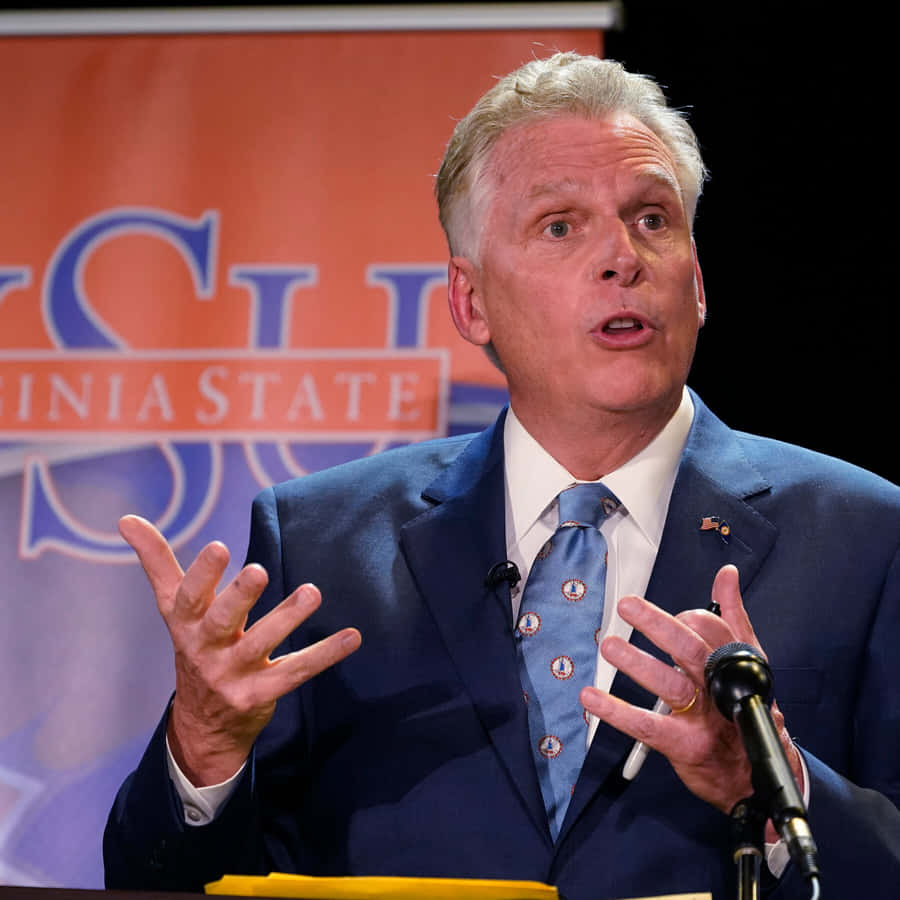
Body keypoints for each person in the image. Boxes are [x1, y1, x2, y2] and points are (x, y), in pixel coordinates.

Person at [104, 52, 900, 899]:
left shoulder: (863, 535)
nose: (622, 259)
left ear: (696, 281)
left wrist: (773, 786)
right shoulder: (322, 545)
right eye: (561, 226)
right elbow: (159, 883)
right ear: (470, 301)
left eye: (653, 220)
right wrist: (204, 746)